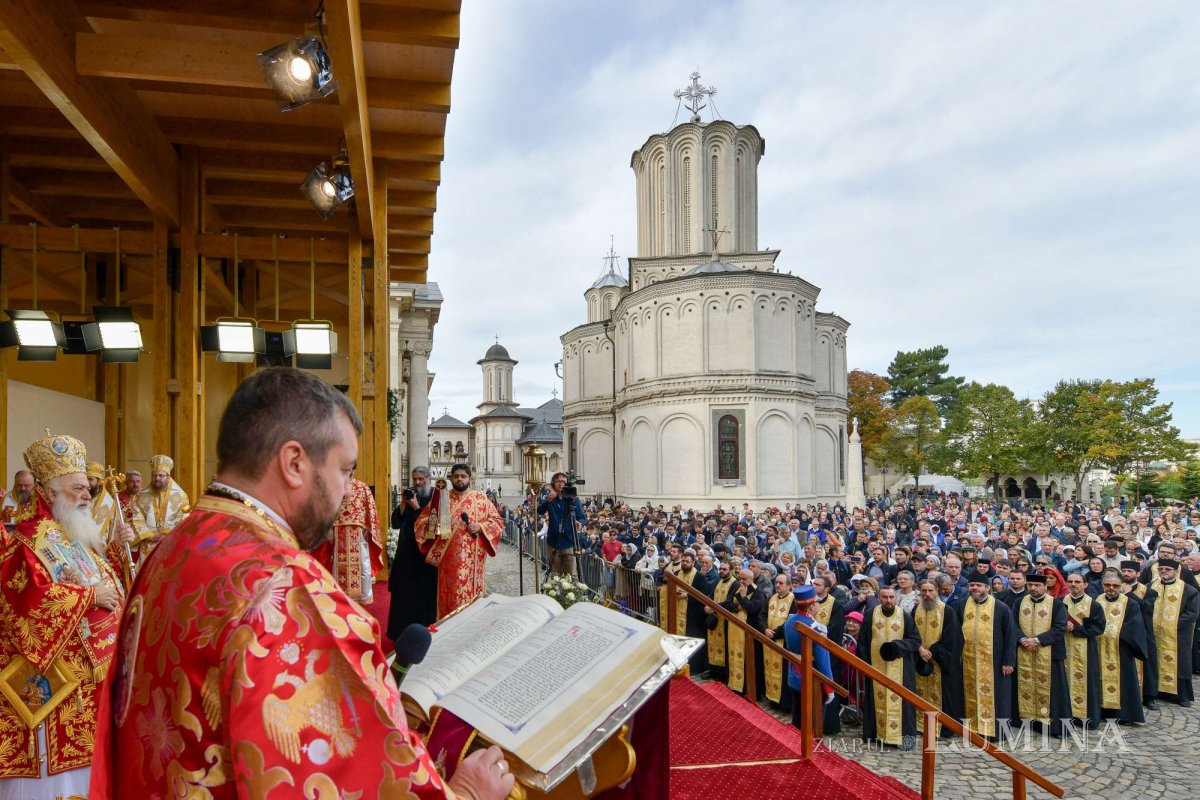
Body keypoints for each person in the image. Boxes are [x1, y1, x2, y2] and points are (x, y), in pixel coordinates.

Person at [95, 368, 513, 800]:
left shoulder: (172, 548)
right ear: (294, 463)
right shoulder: (286, 591)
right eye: (345, 470)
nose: (347, 491)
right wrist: (469, 794)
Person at [0, 431, 130, 798]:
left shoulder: (70, 531)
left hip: (92, 677)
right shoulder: (28, 541)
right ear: (50, 493)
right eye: (78, 488)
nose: (87, 494)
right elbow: (23, 603)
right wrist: (88, 597)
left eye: (87, 488)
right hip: (60, 688)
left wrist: (115, 552)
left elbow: (95, 577)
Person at [414, 463, 503, 619]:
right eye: (456, 476)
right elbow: (421, 522)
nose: (459, 479)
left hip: (473, 562)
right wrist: (437, 525)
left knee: (472, 602)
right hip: (448, 561)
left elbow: (497, 521)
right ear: (451, 479)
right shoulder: (441, 499)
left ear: (470, 478)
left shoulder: (481, 499)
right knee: (451, 599)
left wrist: (480, 526)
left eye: (463, 476)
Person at [857, 585, 921, 749]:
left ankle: (904, 740)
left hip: (900, 669)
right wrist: (865, 664)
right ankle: (876, 735)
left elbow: (915, 640)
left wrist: (897, 646)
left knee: (903, 704)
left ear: (896, 598)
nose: (888, 600)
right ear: (879, 598)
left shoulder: (904, 616)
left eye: (891, 597)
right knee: (875, 700)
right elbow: (863, 641)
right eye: (885, 597)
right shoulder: (871, 614)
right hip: (875, 667)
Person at [955, 572, 1017, 740]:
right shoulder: (961, 605)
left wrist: (1008, 662)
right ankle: (971, 728)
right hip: (968, 661)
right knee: (968, 694)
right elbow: (955, 632)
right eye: (972, 585)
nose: (975, 588)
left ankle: (994, 732)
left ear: (987, 588)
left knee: (998, 697)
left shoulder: (1000, 607)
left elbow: (1010, 636)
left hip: (994, 662)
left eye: (979, 585)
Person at [1013, 573, 1071, 736]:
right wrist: (1022, 639)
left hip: (1049, 654)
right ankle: (1026, 720)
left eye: (1037, 585)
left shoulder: (1056, 604)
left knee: (1053, 691)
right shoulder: (1019, 602)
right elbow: (1013, 623)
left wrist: (1037, 640)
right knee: (1024, 686)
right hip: (1024, 652)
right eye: (1030, 585)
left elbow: (1060, 627)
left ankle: (1054, 727)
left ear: (1045, 587)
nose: (1033, 588)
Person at [311, 476, 384, 602]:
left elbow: (371, 511)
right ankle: (339, 598)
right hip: (337, 534)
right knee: (336, 566)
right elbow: (324, 509)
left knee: (362, 566)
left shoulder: (363, 488)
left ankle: (360, 600)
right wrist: (328, 528)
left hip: (358, 534)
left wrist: (369, 528)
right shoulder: (332, 486)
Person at [388, 467, 439, 638]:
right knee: (404, 595)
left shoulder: (435, 496)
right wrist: (403, 503)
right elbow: (396, 523)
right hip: (407, 553)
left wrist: (417, 508)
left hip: (425, 555)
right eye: (415, 479)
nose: (417, 482)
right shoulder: (410, 494)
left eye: (421, 479)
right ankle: (400, 633)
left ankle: (424, 632)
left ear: (428, 479)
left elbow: (433, 526)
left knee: (424, 595)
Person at [913, 579, 964, 739]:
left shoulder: (947, 611)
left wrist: (934, 651)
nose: (927, 594)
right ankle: (920, 725)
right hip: (920, 660)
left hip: (941, 664)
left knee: (944, 696)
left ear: (937, 591)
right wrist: (920, 649)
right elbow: (910, 633)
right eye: (924, 591)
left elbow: (954, 639)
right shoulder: (916, 609)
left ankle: (942, 728)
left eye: (931, 591)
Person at [1096, 570, 1148, 724]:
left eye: (1115, 585)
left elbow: (1135, 626)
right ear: (1103, 585)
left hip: (1122, 649)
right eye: (1107, 585)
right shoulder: (1097, 600)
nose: (1111, 588)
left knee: (1124, 682)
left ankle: (1123, 715)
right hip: (1099, 649)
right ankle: (1101, 710)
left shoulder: (1130, 603)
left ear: (1121, 586)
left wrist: (1114, 634)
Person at [783, 585, 836, 734]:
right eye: (817, 602)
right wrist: (829, 687)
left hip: (794, 675)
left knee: (797, 717)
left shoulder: (790, 620)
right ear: (812, 606)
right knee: (813, 723)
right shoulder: (815, 628)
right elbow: (823, 661)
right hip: (811, 679)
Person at [1149, 558, 1199, 707]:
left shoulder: (1188, 590)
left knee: (1180, 664)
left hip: (1178, 635)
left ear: (1176, 572)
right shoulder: (1151, 587)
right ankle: (1154, 692)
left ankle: (1180, 695)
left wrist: (1172, 623)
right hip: (1154, 634)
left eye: (1167, 569)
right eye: (1161, 568)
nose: (1163, 571)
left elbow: (1192, 613)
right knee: (1153, 661)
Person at [1062, 572, 1105, 729]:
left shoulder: (1094, 605)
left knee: (1087, 683)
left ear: (1085, 585)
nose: (1073, 584)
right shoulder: (1060, 602)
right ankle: (1065, 716)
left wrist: (1076, 629)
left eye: (1077, 582)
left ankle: (1085, 718)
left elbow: (1099, 628)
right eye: (1070, 581)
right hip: (1064, 648)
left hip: (1086, 650)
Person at [130, 454, 190, 559]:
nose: (157, 478)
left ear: (168, 477)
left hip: (171, 543)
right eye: (154, 475)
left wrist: (167, 534)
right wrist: (148, 535)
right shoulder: (141, 496)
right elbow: (136, 517)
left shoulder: (181, 496)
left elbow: (183, 518)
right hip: (148, 545)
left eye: (161, 475)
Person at [538, 472, 587, 576]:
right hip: (553, 542)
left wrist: (580, 523)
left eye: (563, 481)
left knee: (571, 575)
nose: (561, 484)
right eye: (558, 481)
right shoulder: (550, 498)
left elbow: (582, 518)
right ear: (553, 484)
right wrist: (547, 501)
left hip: (569, 541)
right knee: (555, 575)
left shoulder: (573, 499)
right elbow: (540, 511)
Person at [763, 572, 795, 709]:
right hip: (768, 639)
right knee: (769, 668)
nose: (777, 585)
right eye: (776, 582)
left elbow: (790, 621)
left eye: (781, 583)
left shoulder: (794, 601)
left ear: (789, 586)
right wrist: (764, 629)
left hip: (783, 642)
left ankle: (783, 703)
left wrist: (774, 633)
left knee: (783, 672)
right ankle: (771, 698)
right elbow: (762, 615)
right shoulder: (771, 598)